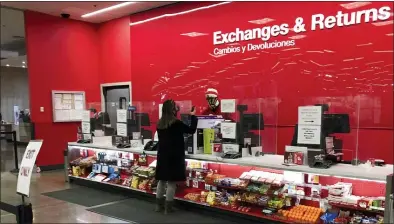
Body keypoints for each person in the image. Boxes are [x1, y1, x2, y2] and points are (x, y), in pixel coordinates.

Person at [155, 99, 197, 214]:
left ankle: (158, 206)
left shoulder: (159, 124)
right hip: (174, 156)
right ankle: (168, 208)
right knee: (171, 183)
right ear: (173, 110)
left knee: (161, 181)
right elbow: (191, 130)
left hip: (162, 155)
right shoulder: (176, 123)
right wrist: (193, 116)